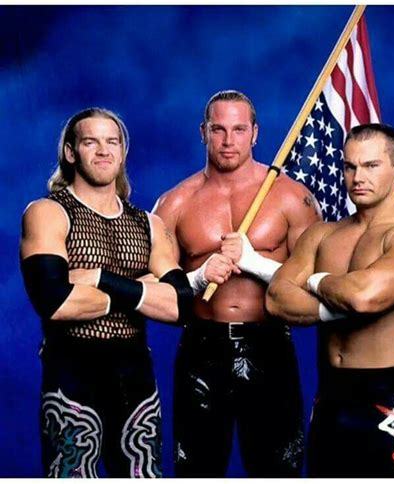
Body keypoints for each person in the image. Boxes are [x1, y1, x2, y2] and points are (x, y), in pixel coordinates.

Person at [266, 123, 394, 478]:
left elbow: (364, 298)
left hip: (390, 403)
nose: (357, 177)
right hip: (329, 401)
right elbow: (276, 299)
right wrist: (335, 302)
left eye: (371, 166)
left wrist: (315, 280)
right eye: (350, 166)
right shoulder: (323, 234)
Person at [153, 90, 321, 477]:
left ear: (255, 133)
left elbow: (315, 285)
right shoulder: (174, 203)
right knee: (196, 470)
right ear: (203, 132)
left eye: (239, 129)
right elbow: (161, 293)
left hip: (270, 343)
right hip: (202, 346)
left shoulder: (293, 198)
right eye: (219, 129)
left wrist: (256, 263)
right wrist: (196, 279)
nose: (229, 141)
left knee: (277, 470)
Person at [20, 107, 193, 478]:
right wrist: (143, 291)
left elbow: (181, 307)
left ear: (123, 151)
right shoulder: (48, 213)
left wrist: (97, 277)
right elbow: (55, 302)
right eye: (90, 141)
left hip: (136, 375)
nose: (103, 150)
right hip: (72, 371)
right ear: (70, 152)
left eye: (112, 141)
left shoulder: (149, 223)